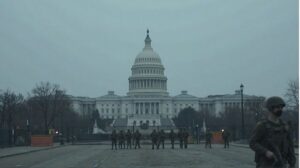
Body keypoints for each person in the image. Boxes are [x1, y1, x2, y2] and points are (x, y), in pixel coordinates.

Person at [249, 96, 296, 168]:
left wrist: (292, 163)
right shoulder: (262, 126)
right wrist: (265, 152)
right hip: (266, 163)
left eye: (281, 107)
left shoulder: (285, 126)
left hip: (282, 162)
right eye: (277, 107)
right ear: (271, 108)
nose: (280, 109)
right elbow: (252, 143)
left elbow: (290, 147)